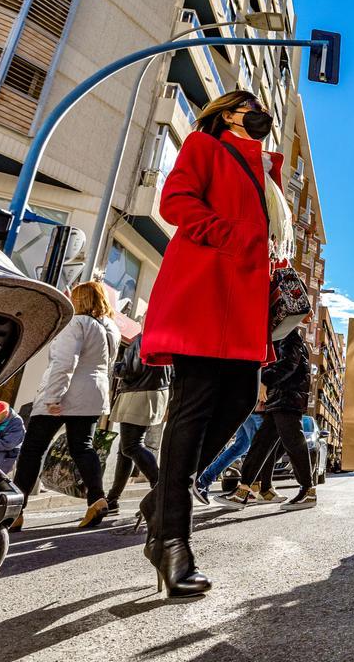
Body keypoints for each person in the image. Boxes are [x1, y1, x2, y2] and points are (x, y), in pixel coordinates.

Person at [139, 90, 287, 599]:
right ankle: (172, 539)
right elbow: (175, 202)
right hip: (205, 290)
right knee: (194, 406)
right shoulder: (205, 147)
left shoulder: (267, 169)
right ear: (228, 114)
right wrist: (237, 237)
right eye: (249, 107)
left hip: (244, 300)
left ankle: (163, 495)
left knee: (242, 398)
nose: (259, 115)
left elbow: (268, 231)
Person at [12, 281, 120, 530]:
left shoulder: (76, 323)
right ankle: (97, 498)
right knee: (83, 447)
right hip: (93, 395)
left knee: (33, 449)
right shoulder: (111, 329)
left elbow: (64, 362)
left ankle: (16, 509)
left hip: (66, 393)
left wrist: (53, 397)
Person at [215, 327, 316, 511]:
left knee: (294, 443)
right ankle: (244, 490)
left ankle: (308, 490)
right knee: (261, 444)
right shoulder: (280, 335)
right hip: (278, 398)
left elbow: (288, 363)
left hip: (288, 397)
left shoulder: (289, 334)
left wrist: (265, 380)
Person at [104, 333, 170, 513]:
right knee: (125, 450)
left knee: (131, 446)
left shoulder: (144, 338)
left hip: (138, 393)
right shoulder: (167, 339)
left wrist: (114, 367)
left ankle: (161, 489)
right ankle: (112, 498)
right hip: (155, 392)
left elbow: (130, 370)